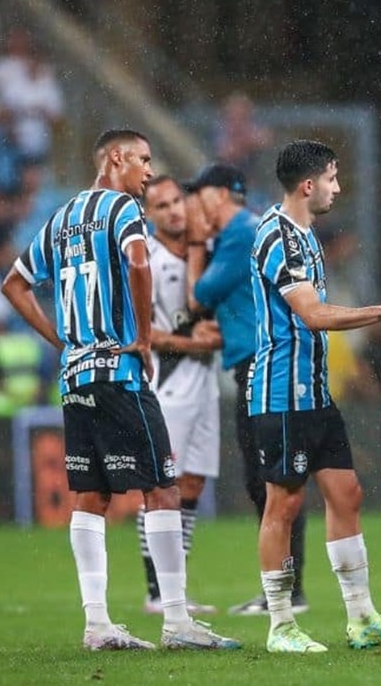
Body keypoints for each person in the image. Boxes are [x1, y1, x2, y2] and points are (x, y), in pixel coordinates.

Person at [0, 129, 239, 651]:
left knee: (92, 496)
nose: (150, 172)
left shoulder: (61, 219)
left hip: (76, 378)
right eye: (144, 160)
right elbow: (137, 260)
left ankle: (97, 623)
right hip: (118, 370)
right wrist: (144, 339)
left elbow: (14, 284)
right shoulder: (122, 208)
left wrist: (61, 340)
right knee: (163, 490)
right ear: (115, 158)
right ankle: (177, 622)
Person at [249, 140, 381, 653]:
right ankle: (280, 626)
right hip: (281, 396)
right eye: (332, 179)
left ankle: (360, 617)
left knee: (347, 494)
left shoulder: (307, 236)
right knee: (283, 505)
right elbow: (313, 314)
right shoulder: (278, 238)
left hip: (314, 393)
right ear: (308, 185)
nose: (338, 188)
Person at [185, 164, 309, 616]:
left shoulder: (239, 233)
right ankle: (287, 588)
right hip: (263, 362)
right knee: (273, 481)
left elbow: (200, 294)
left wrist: (197, 243)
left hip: (261, 365)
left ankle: (287, 590)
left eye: (197, 194)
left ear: (217, 195)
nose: (192, 205)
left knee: (271, 482)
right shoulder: (250, 229)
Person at [136, 175, 222, 616]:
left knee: (192, 484)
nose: (173, 210)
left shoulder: (201, 252)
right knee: (161, 485)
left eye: (176, 202)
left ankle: (176, 585)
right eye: (162, 205)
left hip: (204, 380)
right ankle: (156, 591)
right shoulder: (145, 259)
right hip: (167, 381)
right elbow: (142, 331)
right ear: (149, 215)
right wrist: (193, 341)